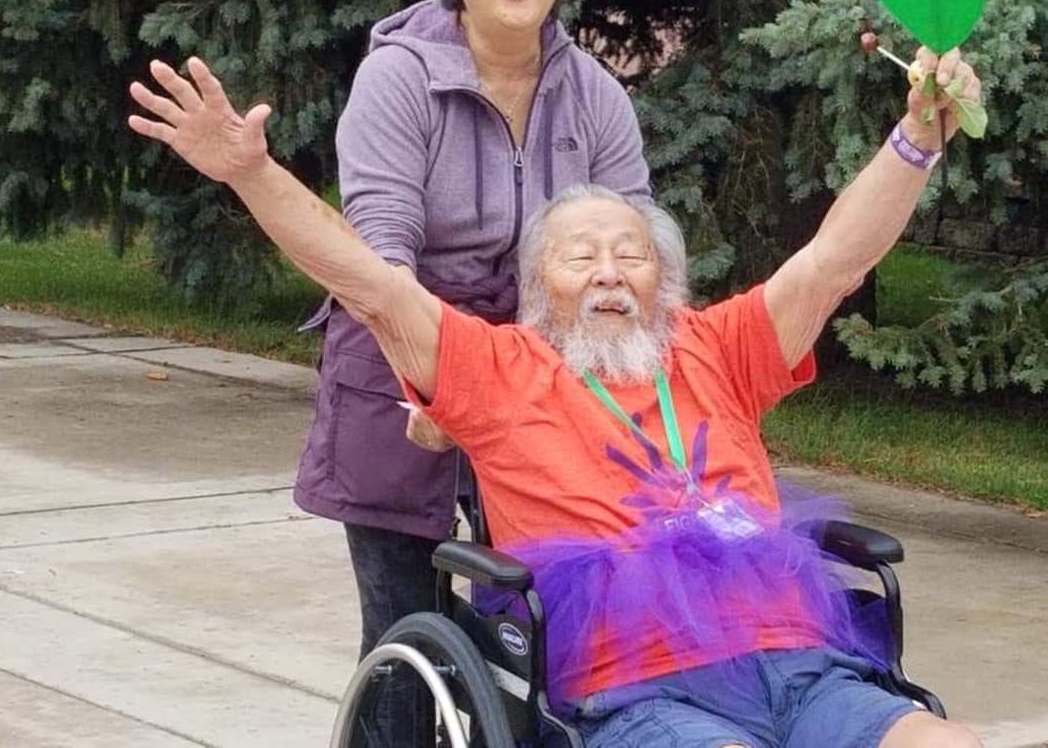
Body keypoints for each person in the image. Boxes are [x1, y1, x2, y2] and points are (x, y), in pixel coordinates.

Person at [128, 40, 982, 746]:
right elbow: (371, 285)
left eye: (633, 253)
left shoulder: (717, 346)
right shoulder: (496, 367)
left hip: (801, 662)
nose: (609, 271)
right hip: (640, 693)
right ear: (538, 286)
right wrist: (251, 174)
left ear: (666, 281)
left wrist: (917, 135)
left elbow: (835, 261)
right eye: (581, 257)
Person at [290, 0, 651, 740]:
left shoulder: (595, 95)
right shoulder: (398, 78)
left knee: (536, 614)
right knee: (402, 621)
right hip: (400, 352)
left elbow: (632, 242)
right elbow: (380, 247)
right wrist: (432, 381)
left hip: (537, 368)